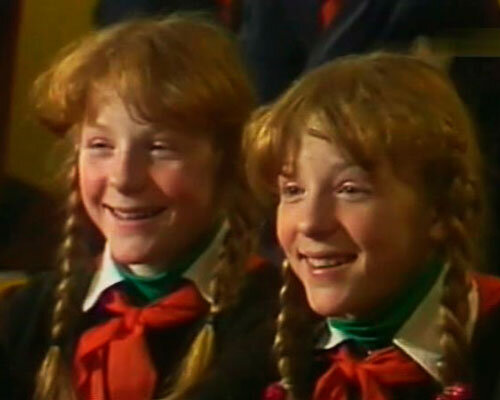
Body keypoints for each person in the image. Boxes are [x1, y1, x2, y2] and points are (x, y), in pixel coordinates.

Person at [0, 15, 279, 400]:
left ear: (226, 161)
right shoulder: (30, 315)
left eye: (160, 148)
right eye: (101, 146)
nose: (125, 178)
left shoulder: (275, 322)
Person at [244, 52, 500, 400]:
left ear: (438, 210)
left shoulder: (487, 346)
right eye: (293, 191)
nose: (310, 223)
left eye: (350, 190)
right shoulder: (271, 351)